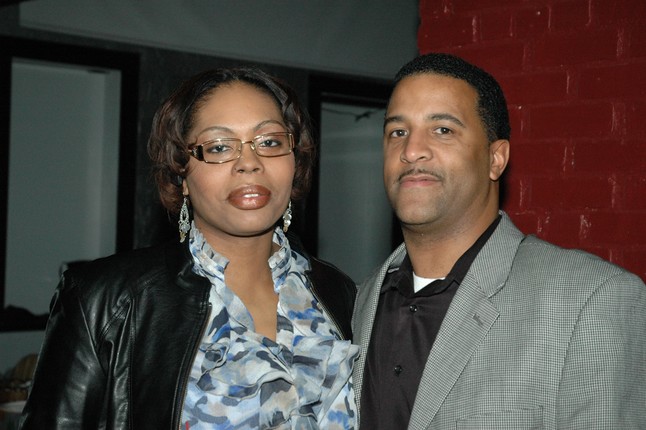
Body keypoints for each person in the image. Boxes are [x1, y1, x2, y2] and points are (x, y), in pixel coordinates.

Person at [20, 67, 359, 429]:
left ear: (295, 161)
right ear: (181, 174)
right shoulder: (106, 301)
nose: (249, 163)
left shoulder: (340, 293)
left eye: (270, 142)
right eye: (219, 147)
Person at [352, 53, 646, 429]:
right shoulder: (355, 303)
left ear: (496, 159)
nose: (411, 150)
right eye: (398, 132)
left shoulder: (589, 301)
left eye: (442, 130)